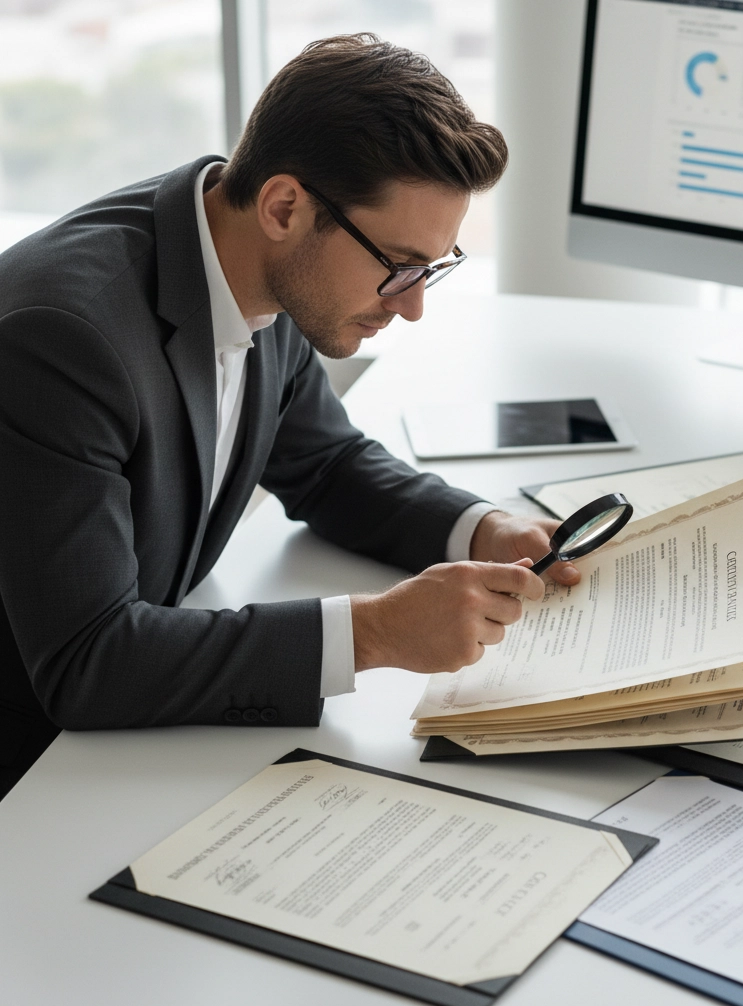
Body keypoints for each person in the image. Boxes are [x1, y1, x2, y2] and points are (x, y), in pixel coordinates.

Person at [0, 34, 580, 799]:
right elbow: (89, 662)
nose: (411, 307)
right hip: (36, 777)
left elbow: (324, 465)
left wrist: (483, 529)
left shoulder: (249, 259)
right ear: (284, 207)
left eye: (433, 269)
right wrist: (373, 634)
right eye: (399, 267)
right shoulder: (63, 339)